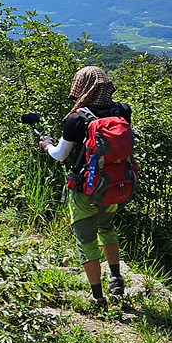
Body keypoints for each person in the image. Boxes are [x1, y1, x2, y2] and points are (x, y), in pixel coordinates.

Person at [37, 66, 132, 308]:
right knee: (107, 228)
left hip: (84, 190)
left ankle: (97, 297)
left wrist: (46, 145)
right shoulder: (122, 111)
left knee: (86, 239)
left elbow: (60, 155)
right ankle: (116, 279)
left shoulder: (76, 119)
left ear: (82, 87)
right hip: (113, 184)